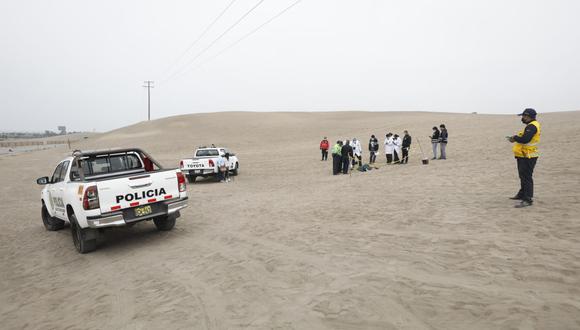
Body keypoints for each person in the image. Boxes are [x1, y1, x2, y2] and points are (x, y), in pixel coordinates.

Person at [508, 108, 541, 208]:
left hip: (528, 156)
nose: (522, 118)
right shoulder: (531, 125)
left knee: (526, 177)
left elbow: (525, 139)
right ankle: (522, 194)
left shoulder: (532, 126)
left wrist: (514, 138)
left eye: (523, 116)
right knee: (523, 176)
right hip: (524, 155)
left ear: (528, 116)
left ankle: (528, 199)